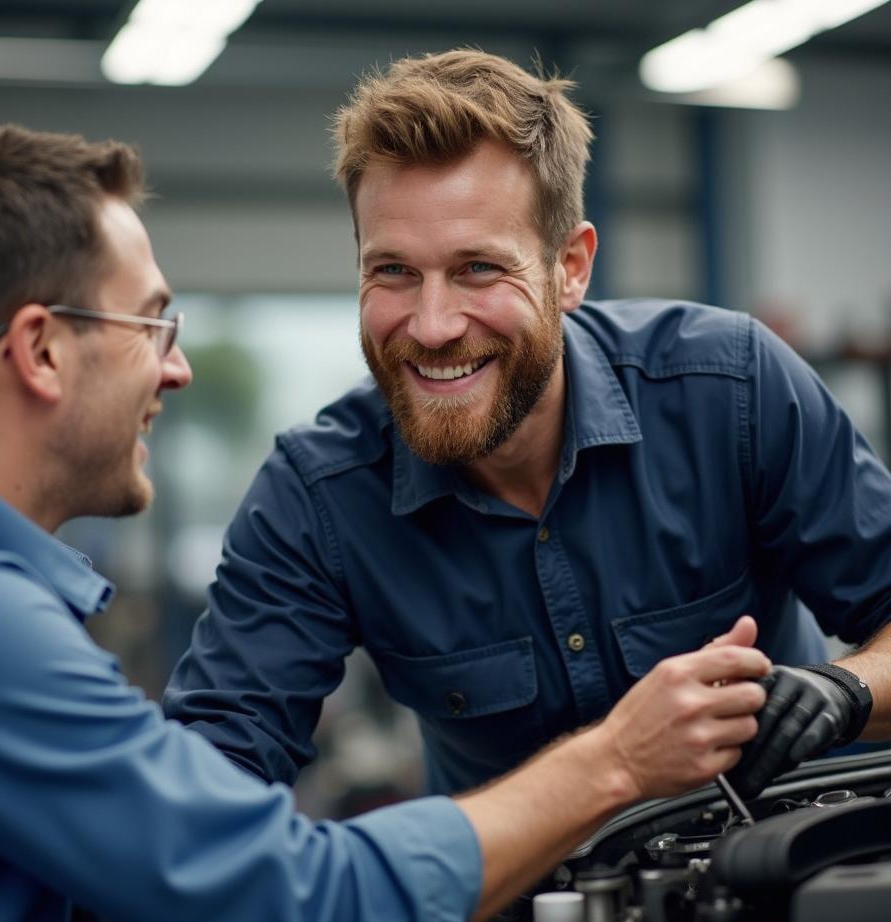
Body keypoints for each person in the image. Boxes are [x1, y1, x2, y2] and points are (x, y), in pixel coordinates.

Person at [0, 114, 770, 922]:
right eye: (150, 322)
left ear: (570, 266)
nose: (176, 368)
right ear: (41, 350)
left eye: (478, 268)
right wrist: (615, 760)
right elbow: (293, 906)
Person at [165, 49, 891, 802]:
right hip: (523, 911)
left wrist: (844, 692)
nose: (434, 324)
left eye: (479, 268)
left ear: (570, 267)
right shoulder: (319, 497)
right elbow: (210, 773)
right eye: (394, 272)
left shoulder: (730, 389)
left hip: (782, 870)